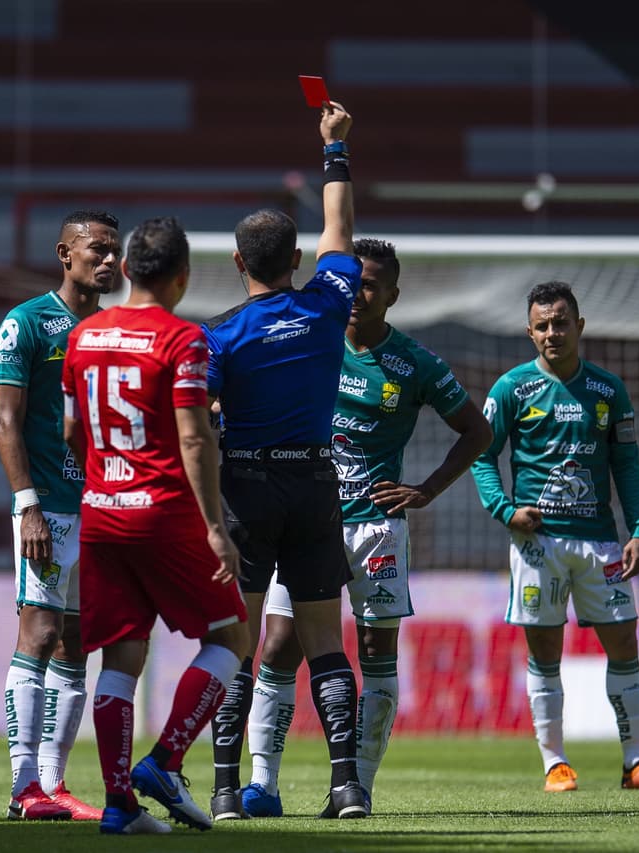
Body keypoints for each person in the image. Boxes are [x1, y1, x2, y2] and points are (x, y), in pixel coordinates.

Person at [237, 238, 493, 817]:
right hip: (304, 521)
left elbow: (478, 433)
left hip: (376, 529)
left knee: (377, 653)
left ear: (393, 295)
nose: (358, 293)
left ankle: (355, 788)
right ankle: (262, 785)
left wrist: (426, 489)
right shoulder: (308, 341)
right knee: (277, 647)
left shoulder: (415, 364)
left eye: (371, 284)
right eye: (352, 282)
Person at [204, 99, 369, 821]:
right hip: (314, 481)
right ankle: (346, 786)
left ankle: (220, 789)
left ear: (238, 263)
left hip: (245, 484)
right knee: (326, 642)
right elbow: (341, 227)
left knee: (236, 644)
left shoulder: (218, 337)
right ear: (297, 260)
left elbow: (198, 423)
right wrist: (334, 148)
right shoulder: (330, 304)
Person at [61, 216, 249, 835]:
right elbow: (195, 439)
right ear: (181, 276)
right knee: (229, 638)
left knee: (121, 658)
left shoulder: (84, 336)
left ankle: (119, 808)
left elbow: (70, 429)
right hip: (162, 513)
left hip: (100, 514)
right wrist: (216, 526)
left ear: (131, 270)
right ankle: (165, 761)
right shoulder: (182, 339)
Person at [470, 281, 639, 793]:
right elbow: (481, 454)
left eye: (560, 322)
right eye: (542, 325)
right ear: (529, 332)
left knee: (624, 644)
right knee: (545, 651)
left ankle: (636, 763)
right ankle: (555, 764)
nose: (552, 333)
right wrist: (503, 510)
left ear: (579, 326)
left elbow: (626, 463)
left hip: (601, 543)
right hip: (538, 544)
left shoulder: (608, 390)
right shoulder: (510, 389)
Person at [0, 210, 121, 821]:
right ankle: (22, 788)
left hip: (95, 510)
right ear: (63, 254)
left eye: (113, 251)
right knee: (40, 634)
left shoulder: (110, 329)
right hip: (46, 510)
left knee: (76, 645)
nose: (108, 260)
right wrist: (28, 507)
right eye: (96, 249)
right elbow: (6, 422)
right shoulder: (27, 323)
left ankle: (53, 783)